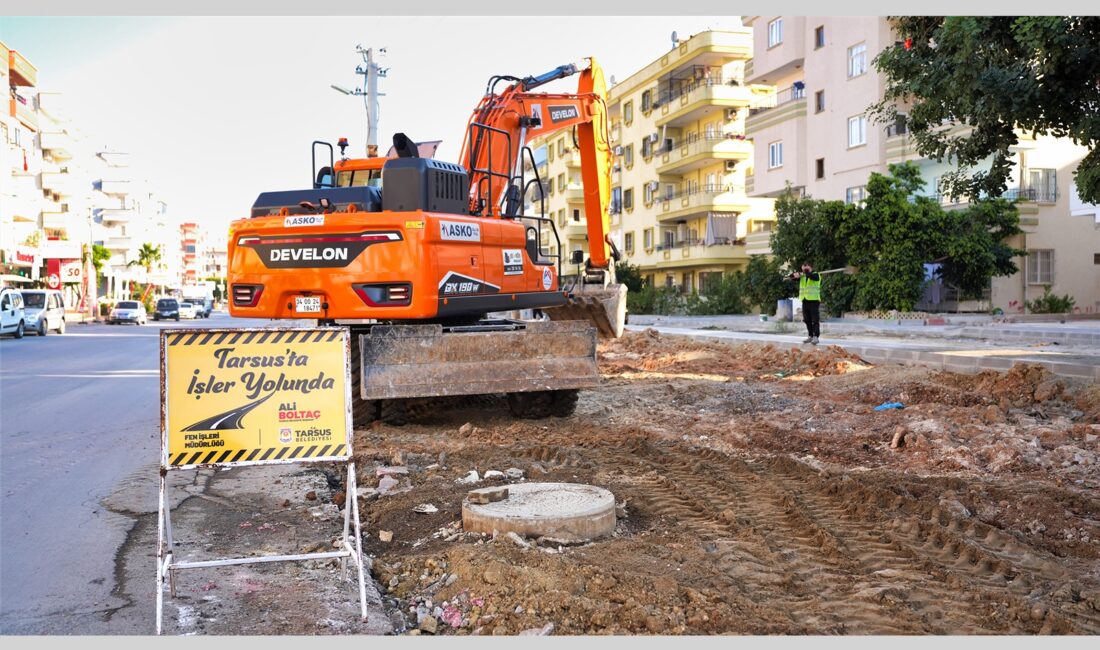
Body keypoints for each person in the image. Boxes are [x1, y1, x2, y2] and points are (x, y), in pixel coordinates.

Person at [790, 263, 821, 345]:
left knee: (815, 320)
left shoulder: (816, 275)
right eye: (803, 267)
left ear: (810, 267)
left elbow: (812, 277)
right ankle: (810, 336)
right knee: (807, 320)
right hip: (805, 300)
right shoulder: (803, 277)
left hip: (814, 300)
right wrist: (794, 275)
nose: (803, 269)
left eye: (805, 267)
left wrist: (804, 273)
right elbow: (791, 277)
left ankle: (815, 337)